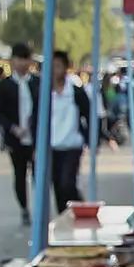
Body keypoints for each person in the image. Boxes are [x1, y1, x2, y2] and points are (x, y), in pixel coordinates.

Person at [0, 43, 38, 224]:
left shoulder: (37, 83)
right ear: (12, 61)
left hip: (35, 138)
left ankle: (39, 206)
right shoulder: (4, 86)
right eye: (18, 59)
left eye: (25, 59)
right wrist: (13, 128)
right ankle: (24, 208)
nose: (21, 63)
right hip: (16, 138)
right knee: (19, 175)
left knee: (38, 174)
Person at [45, 51, 92, 213]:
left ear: (65, 68)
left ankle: (80, 207)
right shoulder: (44, 93)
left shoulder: (76, 92)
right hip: (52, 146)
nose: (54, 70)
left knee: (67, 183)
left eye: (58, 66)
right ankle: (63, 214)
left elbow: (89, 114)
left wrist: (89, 139)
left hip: (72, 144)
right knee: (57, 185)